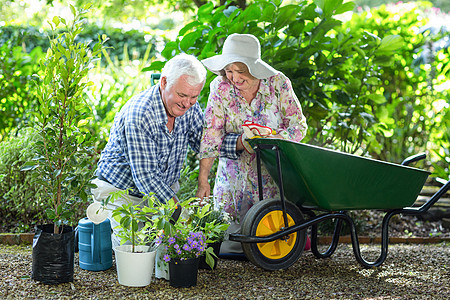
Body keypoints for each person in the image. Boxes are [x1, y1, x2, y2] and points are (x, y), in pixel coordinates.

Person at [195, 33, 308, 254]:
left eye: (240, 71)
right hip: (232, 182)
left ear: (255, 68)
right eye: (229, 70)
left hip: (271, 180)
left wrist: (269, 138)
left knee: (268, 248)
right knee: (229, 249)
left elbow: (298, 127)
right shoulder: (220, 87)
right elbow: (211, 135)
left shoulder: (278, 84)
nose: (234, 78)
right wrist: (203, 180)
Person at [91, 53, 206, 247]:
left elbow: (204, 142)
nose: (187, 104)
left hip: (160, 196)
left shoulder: (189, 108)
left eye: (194, 97)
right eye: (182, 95)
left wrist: (241, 142)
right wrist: (179, 213)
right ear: (163, 82)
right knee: (135, 253)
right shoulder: (140, 114)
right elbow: (147, 178)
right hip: (121, 195)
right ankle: (96, 228)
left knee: (167, 251)